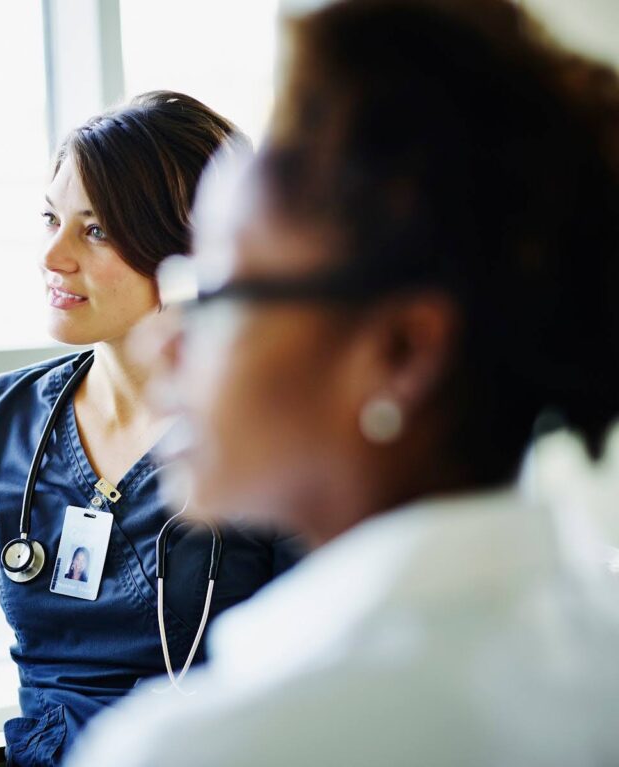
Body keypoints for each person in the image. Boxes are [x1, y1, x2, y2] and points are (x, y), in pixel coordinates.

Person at [66, 1, 619, 765]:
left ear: (400, 352)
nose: (166, 342)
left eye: (217, 295)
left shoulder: (213, 744)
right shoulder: (592, 651)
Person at [0, 91, 302, 767]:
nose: (52, 256)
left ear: (193, 250)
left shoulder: (274, 439)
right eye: (50, 218)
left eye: (95, 230)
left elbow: (316, 688)